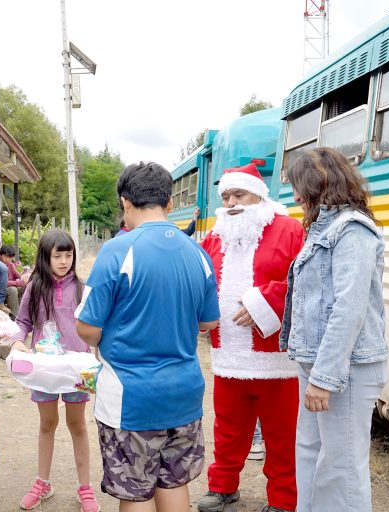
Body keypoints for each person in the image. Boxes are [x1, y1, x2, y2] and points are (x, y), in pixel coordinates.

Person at [76, 161, 220, 512]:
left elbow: (87, 328)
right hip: (184, 395)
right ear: (169, 203)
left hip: (131, 398)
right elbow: (209, 322)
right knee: (174, 483)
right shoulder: (197, 252)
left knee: (135, 492)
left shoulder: (117, 250)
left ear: (125, 202)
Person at [282, 147, 388, 512]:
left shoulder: (352, 230)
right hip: (319, 363)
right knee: (310, 453)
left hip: (346, 369)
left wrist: (324, 377)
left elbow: (349, 308)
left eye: (298, 186)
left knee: (341, 470)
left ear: (316, 184)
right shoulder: (324, 229)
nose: (295, 196)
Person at [196, 163, 305, 512]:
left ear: (259, 195)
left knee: (282, 434)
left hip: (277, 360)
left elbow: (306, 283)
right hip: (228, 357)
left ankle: (284, 499)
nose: (231, 203)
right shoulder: (214, 238)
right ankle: (222, 486)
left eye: (239, 194)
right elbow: (198, 284)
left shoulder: (290, 230)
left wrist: (264, 301)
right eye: (226, 196)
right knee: (227, 429)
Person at [7, 229, 101, 512]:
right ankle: (42, 483)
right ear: (44, 257)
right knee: (47, 423)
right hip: (43, 370)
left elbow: (96, 326)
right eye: (57, 256)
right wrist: (17, 341)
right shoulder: (34, 288)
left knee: (77, 424)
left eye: (68, 255)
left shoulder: (83, 289)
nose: (63, 261)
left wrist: (98, 354)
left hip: (77, 372)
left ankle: (85, 487)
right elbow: (23, 322)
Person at [0, 244, 26, 318]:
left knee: (25, 287)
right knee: (13, 290)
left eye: (10, 257)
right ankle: (14, 316)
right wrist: (17, 283)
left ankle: (23, 312)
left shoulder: (10, 264)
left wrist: (24, 278)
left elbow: (17, 276)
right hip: (0, 291)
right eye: (5, 256)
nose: (8, 259)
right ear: (0, 255)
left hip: (10, 287)